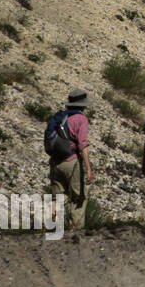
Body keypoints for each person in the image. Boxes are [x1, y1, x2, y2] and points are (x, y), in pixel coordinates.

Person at [49, 89, 94, 229]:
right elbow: (82, 145)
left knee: (58, 197)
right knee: (78, 197)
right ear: (83, 106)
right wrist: (88, 169)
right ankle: (76, 228)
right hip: (72, 162)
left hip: (55, 162)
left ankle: (48, 224)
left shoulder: (59, 117)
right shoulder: (81, 119)